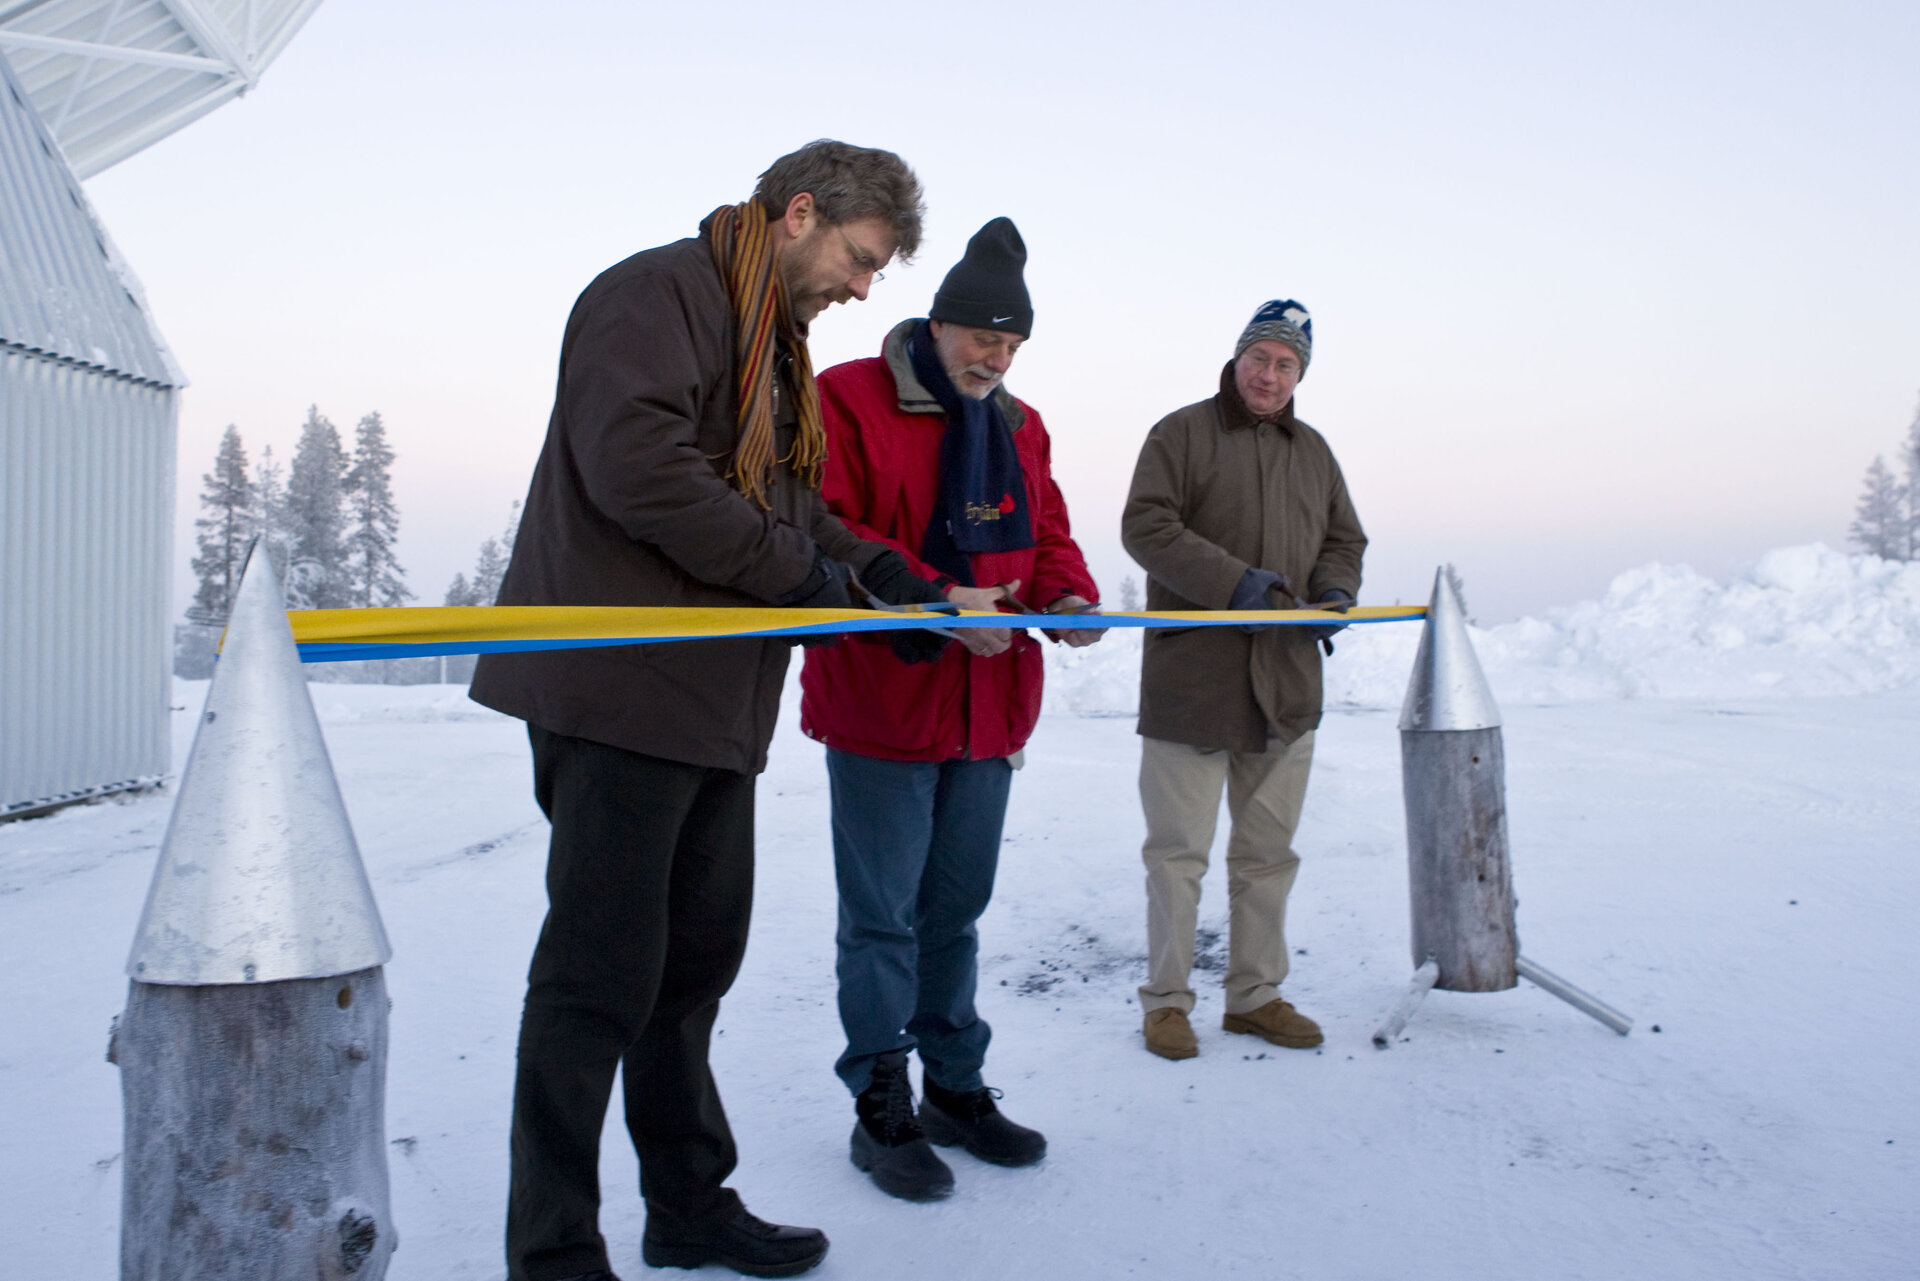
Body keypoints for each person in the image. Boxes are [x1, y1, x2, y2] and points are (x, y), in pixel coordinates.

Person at [469, 140, 933, 1281]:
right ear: (802, 213)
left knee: (690, 971)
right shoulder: (656, 296)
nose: (867, 290)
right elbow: (641, 471)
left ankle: (685, 1205)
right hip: (622, 692)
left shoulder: (770, 347)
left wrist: (888, 578)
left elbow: (798, 516)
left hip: (715, 705)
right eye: (863, 260)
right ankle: (554, 1251)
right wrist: (804, 581)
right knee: (596, 981)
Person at [798, 217, 1101, 1201]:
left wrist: (1069, 597)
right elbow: (827, 532)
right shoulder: (846, 398)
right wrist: (938, 604)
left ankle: (954, 1089)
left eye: (1011, 345)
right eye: (983, 337)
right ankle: (880, 1105)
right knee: (881, 919)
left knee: (955, 914)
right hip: (886, 701)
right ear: (939, 323)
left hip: (990, 707)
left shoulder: (1020, 425)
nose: (996, 356)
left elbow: (1047, 530)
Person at [1119, 299, 1367, 1062]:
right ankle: (1166, 1002)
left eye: (1286, 364)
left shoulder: (1315, 451)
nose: (1269, 374)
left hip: (1285, 688)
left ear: (1300, 375)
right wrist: (1237, 585)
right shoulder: (1181, 433)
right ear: (1236, 359)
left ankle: (1255, 994)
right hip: (1194, 683)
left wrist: (1332, 596)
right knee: (1177, 855)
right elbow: (1147, 526)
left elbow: (1344, 538)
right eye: (1259, 357)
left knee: (1267, 855)